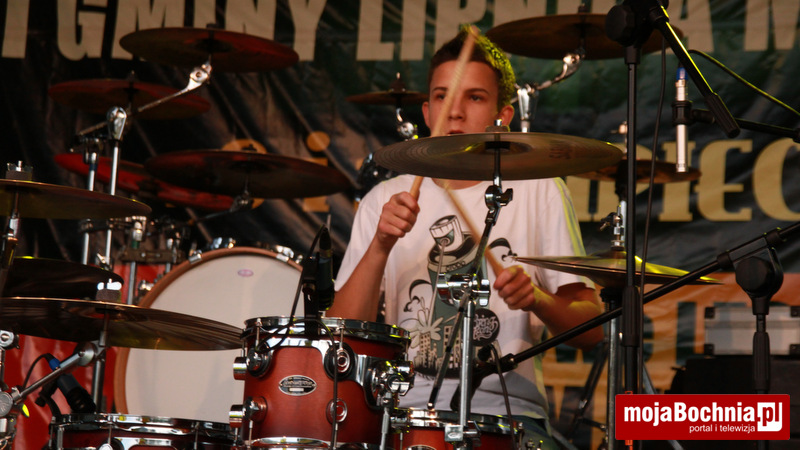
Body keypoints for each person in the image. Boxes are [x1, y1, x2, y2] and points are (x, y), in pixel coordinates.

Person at [329, 28, 604, 448]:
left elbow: (591, 331)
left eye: (474, 98)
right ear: (427, 111)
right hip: (405, 418)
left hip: (507, 418)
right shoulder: (385, 199)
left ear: (503, 116)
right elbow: (342, 336)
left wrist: (537, 299)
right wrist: (380, 245)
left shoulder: (539, 188)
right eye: (442, 97)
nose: (455, 113)